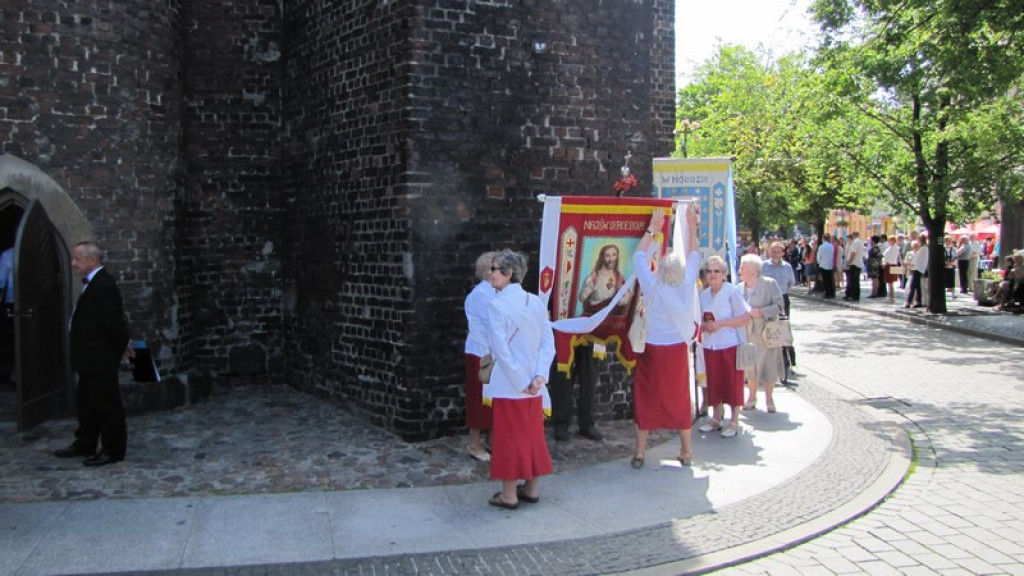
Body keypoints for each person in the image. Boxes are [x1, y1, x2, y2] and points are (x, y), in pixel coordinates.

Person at [483, 249, 555, 509]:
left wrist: (519, 381)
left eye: (494, 269)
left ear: (509, 273)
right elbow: (548, 344)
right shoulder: (535, 302)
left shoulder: (497, 305)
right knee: (532, 435)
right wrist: (539, 376)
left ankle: (509, 494)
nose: (489, 274)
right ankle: (532, 488)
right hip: (534, 384)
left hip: (510, 385)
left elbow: (500, 349)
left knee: (508, 438)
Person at [629, 205, 700, 468]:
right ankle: (686, 451)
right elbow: (694, 254)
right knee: (679, 396)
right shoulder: (687, 282)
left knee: (647, 395)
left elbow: (638, 257)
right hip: (676, 349)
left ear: (660, 270)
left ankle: (640, 452)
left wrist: (652, 229)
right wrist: (691, 226)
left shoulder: (653, 286)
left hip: (653, 349)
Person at [53, 242, 131, 467]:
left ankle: (113, 449)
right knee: (86, 403)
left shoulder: (103, 284)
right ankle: (85, 442)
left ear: (92, 260)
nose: (73, 263)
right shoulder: (93, 283)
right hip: (89, 358)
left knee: (106, 404)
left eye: (77, 259)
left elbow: (113, 322)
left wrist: (121, 346)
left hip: (100, 357)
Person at [698, 255, 751, 438]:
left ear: (724, 274)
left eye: (716, 271)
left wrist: (720, 324)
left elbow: (744, 318)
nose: (712, 275)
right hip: (711, 344)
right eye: (709, 271)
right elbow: (702, 318)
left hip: (730, 343)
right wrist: (705, 326)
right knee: (714, 381)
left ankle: (734, 421)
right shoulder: (704, 295)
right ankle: (716, 417)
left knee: (732, 382)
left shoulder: (732, 292)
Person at [738, 254, 784, 413]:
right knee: (750, 365)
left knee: (767, 364)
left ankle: (769, 398)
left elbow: (779, 305)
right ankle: (751, 397)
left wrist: (762, 312)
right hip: (746, 332)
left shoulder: (769, 284)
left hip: (766, 332)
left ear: (754, 270)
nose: (740, 269)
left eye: (743, 266)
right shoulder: (739, 288)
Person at [463, 251, 497, 462]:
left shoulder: (495, 292)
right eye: (495, 268)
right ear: (486, 271)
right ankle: (474, 444)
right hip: (480, 352)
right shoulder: (480, 295)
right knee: (478, 398)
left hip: (493, 352)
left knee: (494, 397)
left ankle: (492, 441)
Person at [761, 241, 796, 368]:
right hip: (767, 300)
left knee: (783, 325)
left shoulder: (787, 267)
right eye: (773, 251)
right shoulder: (764, 266)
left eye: (778, 252)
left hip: (783, 299)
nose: (776, 254)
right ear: (770, 252)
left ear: (783, 253)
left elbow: (791, 283)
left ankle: (787, 358)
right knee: (767, 326)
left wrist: (783, 294)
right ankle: (768, 357)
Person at [579, 244, 631, 316]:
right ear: (602, 258)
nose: (611, 259)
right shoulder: (594, 277)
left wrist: (622, 299)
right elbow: (582, 298)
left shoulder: (618, 277)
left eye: (614, 255)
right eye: (607, 255)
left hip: (612, 316)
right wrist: (590, 287)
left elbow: (628, 295)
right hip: (595, 313)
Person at [905, 239, 927, 308]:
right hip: (912, 270)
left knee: (912, 286)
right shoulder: (910, 253)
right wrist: (908, 263)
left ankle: (908, 301)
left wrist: (912, 263)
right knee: (917, 286)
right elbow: (906, 261)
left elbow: (919, 262)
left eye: (917, 246)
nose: (916, 247)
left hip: (917, 270)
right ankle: (918, 301)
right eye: (914, 246)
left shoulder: (922, 251)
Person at [844, 231, 863, 301]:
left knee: (853, 281)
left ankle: (853, 296)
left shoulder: (855, 242)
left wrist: (849, 262)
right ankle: (856, 296)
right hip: (858, 263)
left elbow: (853, 253)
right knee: (856, 281)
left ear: (853, 235)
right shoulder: (860, 242)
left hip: (854, 263)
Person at [882, 235, 901, 303]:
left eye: (889, 240)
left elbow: (891, 257)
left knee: (891, 282)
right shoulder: (890, 247)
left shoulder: (895, 248)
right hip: (888, 265)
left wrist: (886, 263)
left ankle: (891, 297)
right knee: (889, 282)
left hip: (891, 265)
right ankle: (890, 296)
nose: (888, 242)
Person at [816, 234, 836, 299]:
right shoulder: (831, 246)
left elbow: (819, 256)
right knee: (830, 280)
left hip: (823, 265)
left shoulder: (821, 247)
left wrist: (819, 262)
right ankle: (832, 293)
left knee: (825, 280)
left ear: (823, 239)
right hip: (830, 265)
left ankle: (827, 293)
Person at [944, 236, 958, 301]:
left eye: (950, 241)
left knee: (952, 280)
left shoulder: (953, 249)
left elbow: (955, 257)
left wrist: (951, 263)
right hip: (944, 267)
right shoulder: (942, 249)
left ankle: (953, 294)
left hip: (951, 266)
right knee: (944, 280)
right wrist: (946, 263)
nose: (949, 242)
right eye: (947, 240)